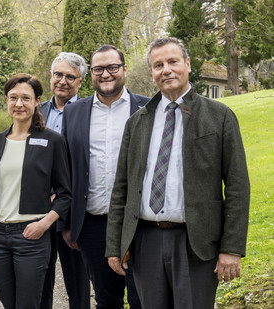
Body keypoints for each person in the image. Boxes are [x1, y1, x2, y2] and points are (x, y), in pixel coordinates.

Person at [105, 37, 250, 308]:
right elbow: (121, 188)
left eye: (172, 61)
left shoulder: (219, 116)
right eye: (158, 65)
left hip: (196, 243)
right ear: (152, 72)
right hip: (145, 241)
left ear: (187, 64)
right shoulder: (137, 122)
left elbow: (237, 185)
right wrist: (115, 245)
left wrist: (231, 248)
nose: (166, 70)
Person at [61, 45, 148, 309]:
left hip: (140, 224)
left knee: (142, 298)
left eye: (112, 67)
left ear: (124, 69)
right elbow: (66, 171)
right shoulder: (74, 112)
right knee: (106, 300)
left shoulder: (147, 108)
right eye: (98, 69)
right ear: (91, 74)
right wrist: (68, 223)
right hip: (93, 225)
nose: (106, 74)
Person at [0, 73, 72, 309]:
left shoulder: (52, 141)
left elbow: (65, 194)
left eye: (26, 98)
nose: (18, 104)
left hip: (31, 237)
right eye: (13, 97)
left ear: (38, 101)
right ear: (6, 100)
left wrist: (44, 223)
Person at [39, 52, 91, 309]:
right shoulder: (37, 112)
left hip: (72, 210)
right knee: (40, 281)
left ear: (81, 81)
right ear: (51, 76)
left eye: (70, 76)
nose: (63, 81)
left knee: (77, 283)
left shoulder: (89, 112)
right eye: (58, 74)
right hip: (37, 210)